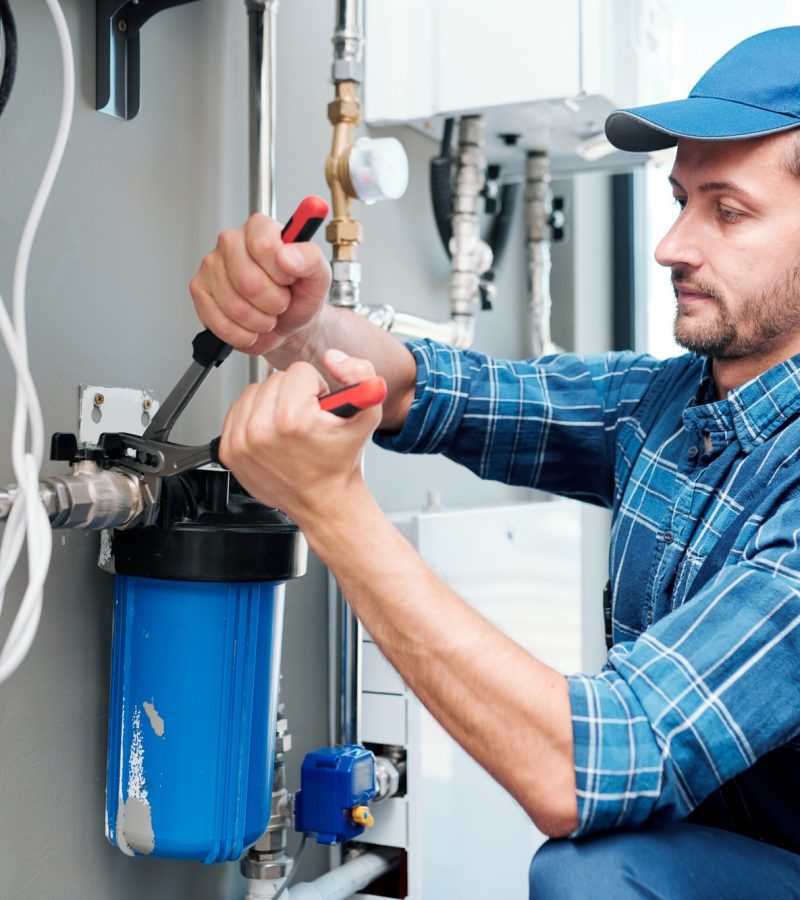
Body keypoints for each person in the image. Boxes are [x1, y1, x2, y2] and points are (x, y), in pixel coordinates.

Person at [190, 27, 800, 899]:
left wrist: (334, 512)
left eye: (727, 210)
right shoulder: (672, 405)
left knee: (594, 874)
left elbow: (589, 769)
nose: (672, 245)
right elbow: (439, 388)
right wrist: (300, 328)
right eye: (679, 202)